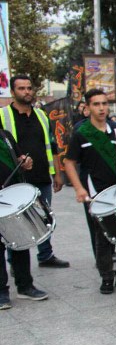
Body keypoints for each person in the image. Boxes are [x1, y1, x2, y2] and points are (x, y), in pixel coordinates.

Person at [64, 89, 116, 294]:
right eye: (96, 104)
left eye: (104, 104)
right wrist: (79, 188)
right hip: (96, 194)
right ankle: (107, 277)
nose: (101, 108)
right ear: (88, 107)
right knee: (102, 237)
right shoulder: (81, 133)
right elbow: (69, 162)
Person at [0, 75, 69, 268]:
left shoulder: (41, 115)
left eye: (29, 88)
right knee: (17, 222)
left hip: (41, 175)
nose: (27, 92)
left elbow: (52, 145)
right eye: (21, 88)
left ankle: (45, 255)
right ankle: (16, 263)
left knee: (45, 216)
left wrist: (57, 173)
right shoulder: (3, 115)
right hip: (15, 180)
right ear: (13, 92)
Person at [0, 129, 48, 308]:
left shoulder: (5, 135)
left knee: (19, 241)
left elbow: (19, 158)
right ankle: (1, 292)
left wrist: (25, 162)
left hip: (13, 197)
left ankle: (25, 286)